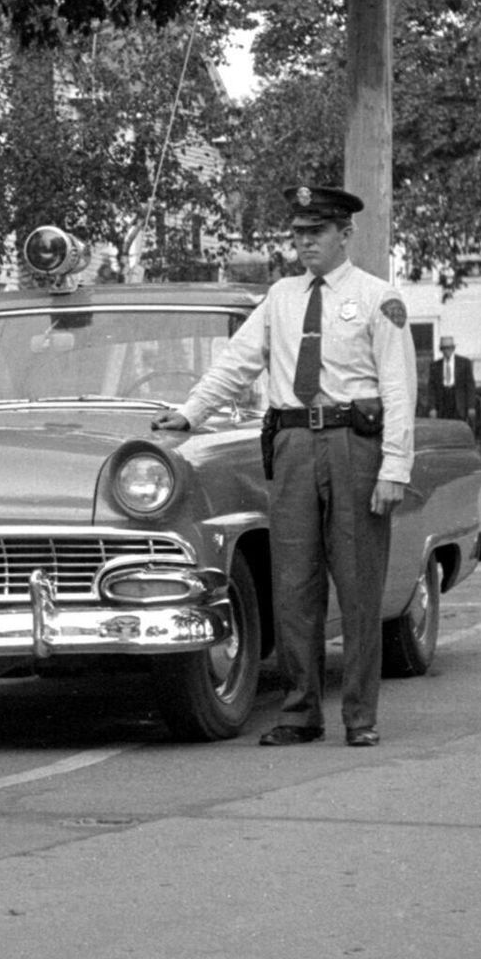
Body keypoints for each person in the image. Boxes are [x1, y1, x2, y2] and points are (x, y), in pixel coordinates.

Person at [152, 185, 415, 748]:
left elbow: (398, 388)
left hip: (353, 446)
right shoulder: (281, 297)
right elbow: (237, 362)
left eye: (317, 232)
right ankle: (300, 713)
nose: (305, 243)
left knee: (358, 584)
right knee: (294, 584)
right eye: (298, 234)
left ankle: (360, 716)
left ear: (345, 234)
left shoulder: (378, 298)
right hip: (293, 444)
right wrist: (191, 413)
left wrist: (395, 467)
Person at [428, 333, 476, 424]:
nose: (447, 351)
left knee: (459, 428)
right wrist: (432, 408)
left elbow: (470, 386)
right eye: (444, 348)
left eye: (449, 348)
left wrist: (471, 406)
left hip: (458, 402)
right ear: (441, 349)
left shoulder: (464, 363)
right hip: (442, 402)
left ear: (453, 348)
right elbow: (431, 388)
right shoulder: (435, 366)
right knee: (444, 428)